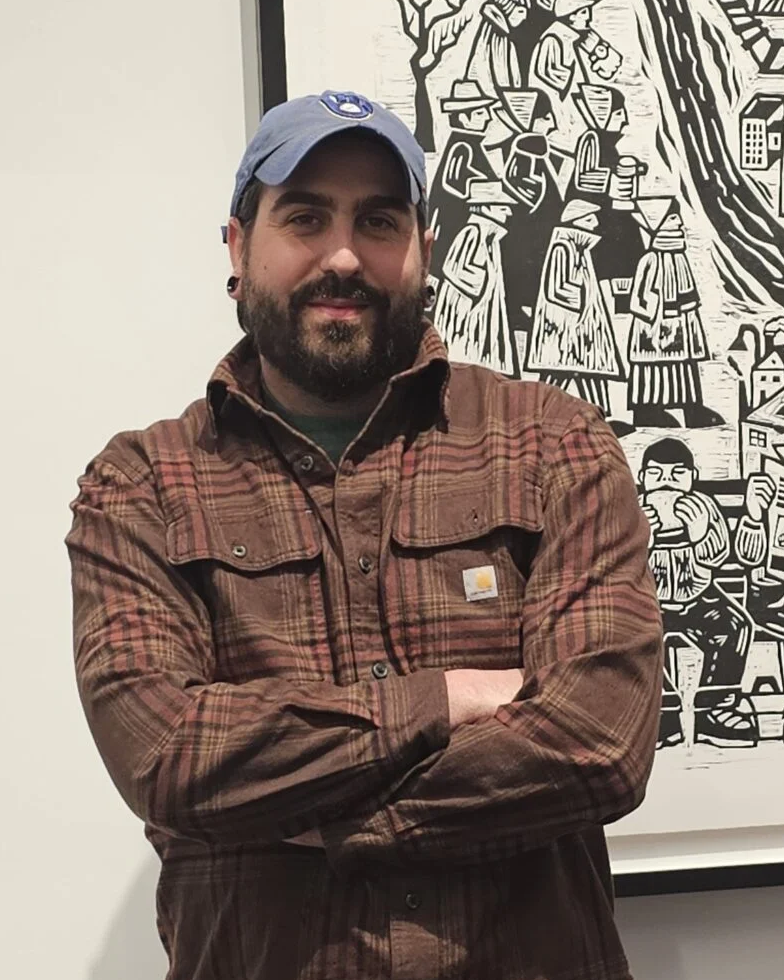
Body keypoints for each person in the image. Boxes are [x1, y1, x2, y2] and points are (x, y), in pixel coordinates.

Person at [66, 89, 663, 980]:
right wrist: (447, 699)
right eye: (305, 218)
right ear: (237, 246)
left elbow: (598, 743)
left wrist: (313, 816)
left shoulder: (553, 444)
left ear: (425, 249)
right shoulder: (140, 485)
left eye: (379, 221)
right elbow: (167, 759)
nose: (343, 255)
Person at [639, 439, 757, 748]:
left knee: (736, 627)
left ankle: (715, 708)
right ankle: (662, 713)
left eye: (677, 474)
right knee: (639, 636)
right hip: (648, 598)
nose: (666, 481)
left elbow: (718, 556)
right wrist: (643, 539)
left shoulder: (703, 507)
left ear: (693, 476)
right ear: (642, 477)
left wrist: (700, 533)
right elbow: (620, 561)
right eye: (656, 474)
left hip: (699, 595)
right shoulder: (636, 509)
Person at [526, 199, 629, 434]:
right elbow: (555, 288)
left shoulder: (580, 250)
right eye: (590, 220)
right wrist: (582, 302)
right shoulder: (562, 248)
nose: (596, 225)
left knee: (592, 374)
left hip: (583, 328)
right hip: (564, 326)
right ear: (576, 221)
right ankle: (538, 419)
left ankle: (603, 417)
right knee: (556, 376)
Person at [628, 198, 724, 428]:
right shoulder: (649, 259)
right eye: (673, 218)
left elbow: (689, 296)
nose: (680, 223)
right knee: (652, 370)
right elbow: (637, 300)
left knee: (684, 367)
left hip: (681, 326)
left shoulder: (680, 258)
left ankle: (691, 408)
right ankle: (648, 411)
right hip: (655, 329)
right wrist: (657, 314)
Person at [435, 178, 516, 373]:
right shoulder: (472, 232)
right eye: (502, 207)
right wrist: (481, 285)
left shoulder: (491, 239)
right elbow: (453, 267)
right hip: (465, 314)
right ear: (486, 208)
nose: (509, 212)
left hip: (481, 314)